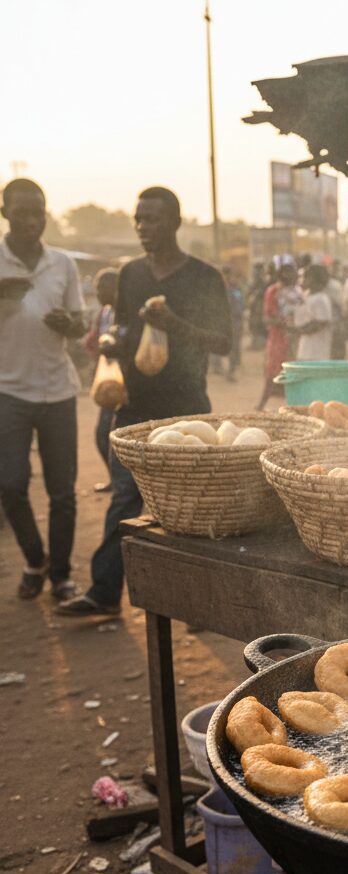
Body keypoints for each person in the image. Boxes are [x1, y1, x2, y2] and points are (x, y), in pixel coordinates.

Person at [58, 186, 231, 617]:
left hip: (187, 408)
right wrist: (113, 341)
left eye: (150, 219)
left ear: (173, 222)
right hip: (134, 408)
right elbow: (120, 327)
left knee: (190, 510)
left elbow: (224, 343)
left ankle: (198, 605)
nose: (142, 227)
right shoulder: (130, 274)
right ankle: (104, 592)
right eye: (138, 219)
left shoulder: (204, 277)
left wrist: (174, 324)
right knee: (123, 498)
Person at [0, 178, 86, 600]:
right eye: (22, 212)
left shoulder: (62, 263)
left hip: (58, 389)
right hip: (7, 391)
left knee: (62, 491)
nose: (33, 220)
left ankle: (61, 576)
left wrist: (69, 325)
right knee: (11, 485)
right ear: (5, 214)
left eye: (39, 211)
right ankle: (35, 559)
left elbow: (81, 322)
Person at [83, 267, 119, 491]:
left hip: (123, 386)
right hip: (108, 383)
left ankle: (125, 484)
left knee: (110, 435)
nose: (97, 293)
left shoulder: (123, 314)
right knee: (102, 435)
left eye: (101, 288)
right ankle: (117, 481)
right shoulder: (102, 313)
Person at [256, 257, 300, 411]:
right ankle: (262, 404)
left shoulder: (297, 291)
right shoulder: (273, 291)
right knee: (272, 372)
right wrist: (284, 324)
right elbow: (267, 318)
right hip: (278, 338)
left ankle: (292, 405)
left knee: (294, 372)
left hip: (295, 338)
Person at [292, 263, 334, 361]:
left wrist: (298, 330)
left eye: (306, 277)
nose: (302, 280)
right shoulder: (306, 295)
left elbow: (321, 323)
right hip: (304, 349)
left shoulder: (321, 299)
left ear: (315, 280)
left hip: (317, 352)